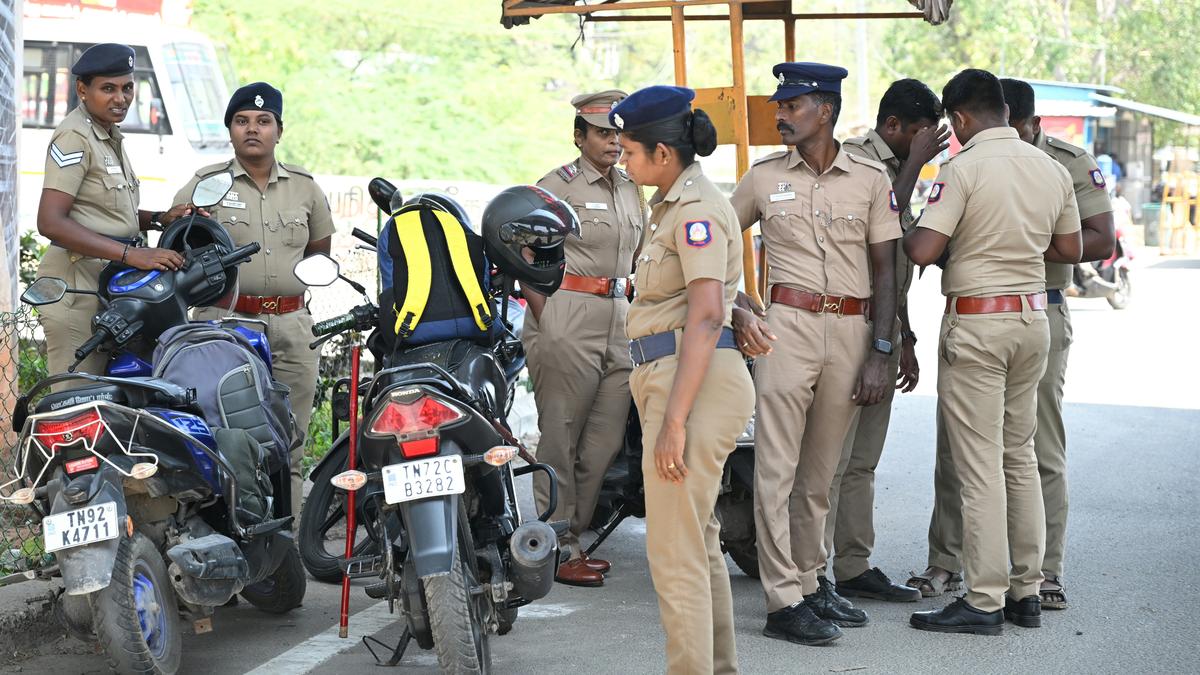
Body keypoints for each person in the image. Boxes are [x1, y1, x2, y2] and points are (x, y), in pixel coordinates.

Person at [915, 78, 1114, 611]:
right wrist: (1022, 235)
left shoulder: (962, 168)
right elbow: (1073, 246)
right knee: (1019, 456)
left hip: (981, 324)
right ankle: (1028, 589)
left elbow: (922, 249)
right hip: (1033, 321)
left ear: (958, 121)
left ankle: (983, 599)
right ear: (1008, 113)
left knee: (977, 465)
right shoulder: (1051, 169)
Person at [730, 62, 899, 645]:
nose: (780, 115)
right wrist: (739, 307)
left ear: (825, 109)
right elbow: (712, 242)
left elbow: (886, 269)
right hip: (787, 327)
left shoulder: (870, 178)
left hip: (851, 330)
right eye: (780, 105)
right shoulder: (763, 177)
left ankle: (809, 580)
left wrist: (883, 348)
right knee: (776, 469)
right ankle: (782, 602)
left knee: (820, 473)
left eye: (793, 104)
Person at [610, 85, 753, 674]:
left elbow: (706, 312)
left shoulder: (693, 210)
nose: (622, 160)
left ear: (662, 154)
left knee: (673, 552)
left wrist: (673, 422)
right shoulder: (672, 203)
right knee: (697, 541)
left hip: (687, 384)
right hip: (678, 375)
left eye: (628, 151)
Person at [176, 82, 335, 518]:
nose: (253, 129)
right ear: (230, 130)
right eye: (242, 121)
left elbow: (319, 250)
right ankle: (230, 538)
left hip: (292, 328)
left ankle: (286, 547)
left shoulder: (305, 188)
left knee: (292, 440)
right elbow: (175, 245)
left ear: (278, 131)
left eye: (264, 121)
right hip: (227, 327)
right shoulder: (205, 185)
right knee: (228, 437)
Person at [824, 79, 948, 604]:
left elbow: (893, 263)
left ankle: (853, 566)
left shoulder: (897, 170)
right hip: (845, 330)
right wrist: (914, 165)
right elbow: (870, 228)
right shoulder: (853, 160)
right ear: (893, 126)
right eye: (920, 134)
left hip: (882, 331)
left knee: (863, 462)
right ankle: (810, 575)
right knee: (828, 461)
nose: (926, 144)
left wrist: (905, 336)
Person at [523, 89, 646, 587]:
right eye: (602, 132)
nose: (613, 141)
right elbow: (523, 254)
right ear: (580, 137)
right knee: (561, 433)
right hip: (568, 311)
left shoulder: (631, 186)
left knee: (604, 443)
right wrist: (546, 314)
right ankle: (553, 544)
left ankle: (572, 535)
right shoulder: (558, 187)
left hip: (620, 318)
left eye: (619, 132)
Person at [35, 43, 193, 377]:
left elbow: (103, 213)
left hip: (108, 284)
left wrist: (158, 219)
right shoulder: (74, 137)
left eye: (127, 88)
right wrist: (131, 255)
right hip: (76, 289)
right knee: (77, 402)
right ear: (83, 89)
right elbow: (50, 221)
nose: (120, 98)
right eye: (108, 88)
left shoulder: (108, 134)